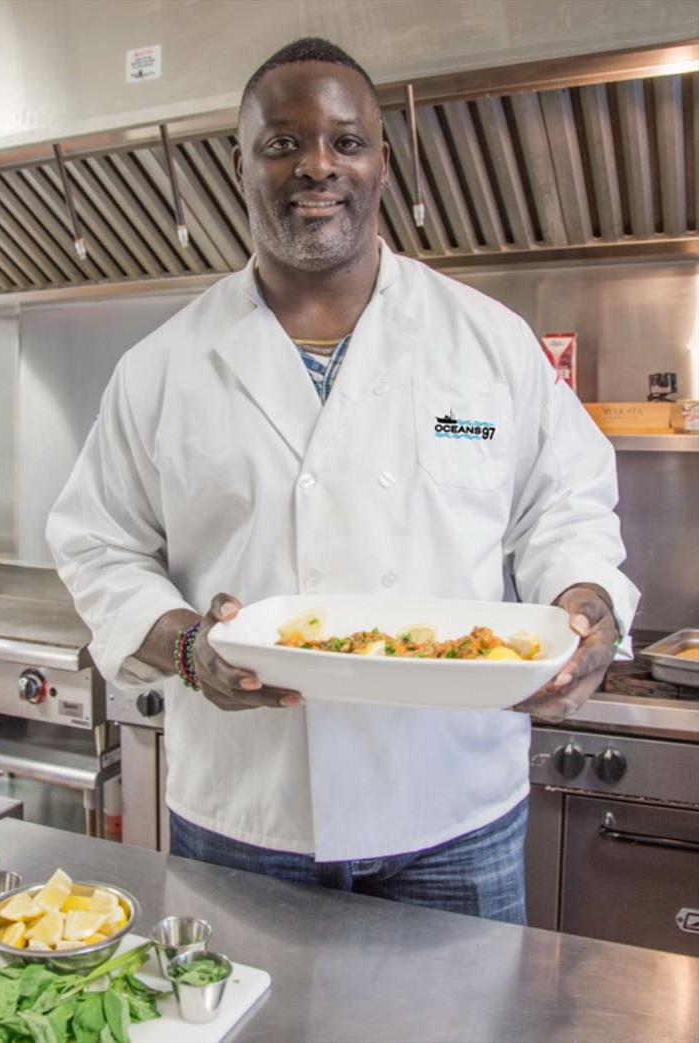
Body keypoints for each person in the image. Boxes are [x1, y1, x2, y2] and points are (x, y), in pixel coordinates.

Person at [47, 38, 638, 924]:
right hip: (246, 814)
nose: (317, 166)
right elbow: (99, 544)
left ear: (382, 161)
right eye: (282, 142)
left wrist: (584, 599)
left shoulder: (489, 342)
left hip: (454, 809)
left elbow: (566, 504)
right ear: (238, 162)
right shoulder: (162, 367)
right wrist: (182, 647)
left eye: (346, 141)